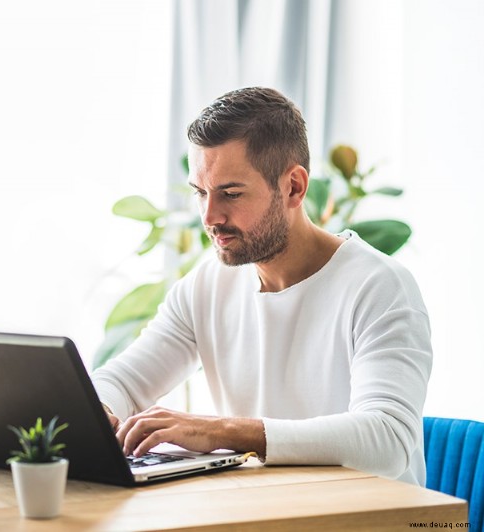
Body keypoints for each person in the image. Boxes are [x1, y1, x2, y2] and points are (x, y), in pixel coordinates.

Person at [91, 86, 432, 485]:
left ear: (293, 187)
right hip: (265, 513)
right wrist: (97, 410)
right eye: (200, 193)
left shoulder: (380, 288)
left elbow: (387, 442)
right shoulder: (206, 286)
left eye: (230, 193)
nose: (210, 216)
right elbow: (121, 382)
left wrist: (223, 432)